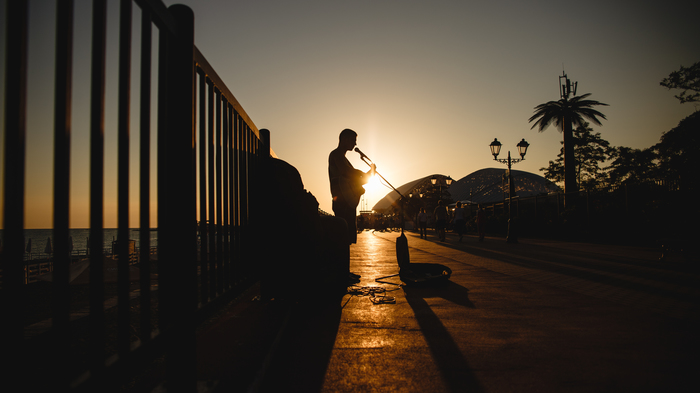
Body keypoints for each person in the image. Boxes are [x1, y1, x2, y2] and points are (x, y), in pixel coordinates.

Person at [328, 128, 376, 281]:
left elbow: (352, 175)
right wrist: (366, 174)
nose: (355, 143)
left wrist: (367, 175)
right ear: (343, 139)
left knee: (346, 238)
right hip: (341, 202)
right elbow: (347, 173)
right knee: (342, 238)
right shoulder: (335, 155)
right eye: (353, 140)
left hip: (347, 201)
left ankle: (345, 272)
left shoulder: (344, 158)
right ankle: (341, 273)